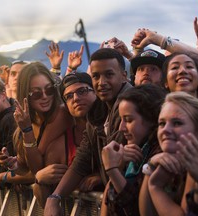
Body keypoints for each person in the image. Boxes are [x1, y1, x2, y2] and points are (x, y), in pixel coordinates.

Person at [44, 48, 133, 215]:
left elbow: (119, 159)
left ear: (124, 75)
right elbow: (83, 158)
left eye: (109, 74)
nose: (102, 82)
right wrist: (55, 197)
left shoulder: (130, 105)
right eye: (96, 76)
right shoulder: (97, 113)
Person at [0, 61, 73, 207]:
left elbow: (36, 167)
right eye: (36, 93)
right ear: (25, 95)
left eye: (49, 90)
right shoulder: (27, 120)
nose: (45, 96)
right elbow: (25, 167)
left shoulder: (61, 113)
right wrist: (13, 164)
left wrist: (27, 131)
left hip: (73, 201)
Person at [100, 84, 165, 215]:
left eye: (128, 120)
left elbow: (135, 211)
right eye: (121, 119)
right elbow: (113, 206)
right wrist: (118, 167)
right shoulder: (130, 149)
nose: (121, 128)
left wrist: (112, 170)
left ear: (151, 119)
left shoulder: (161, 155)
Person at [139, 92, 198, 216]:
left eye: (177, 123)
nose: (165, 130)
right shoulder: (164, 158)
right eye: (162, 123)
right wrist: (150, 168)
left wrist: (155, 187)